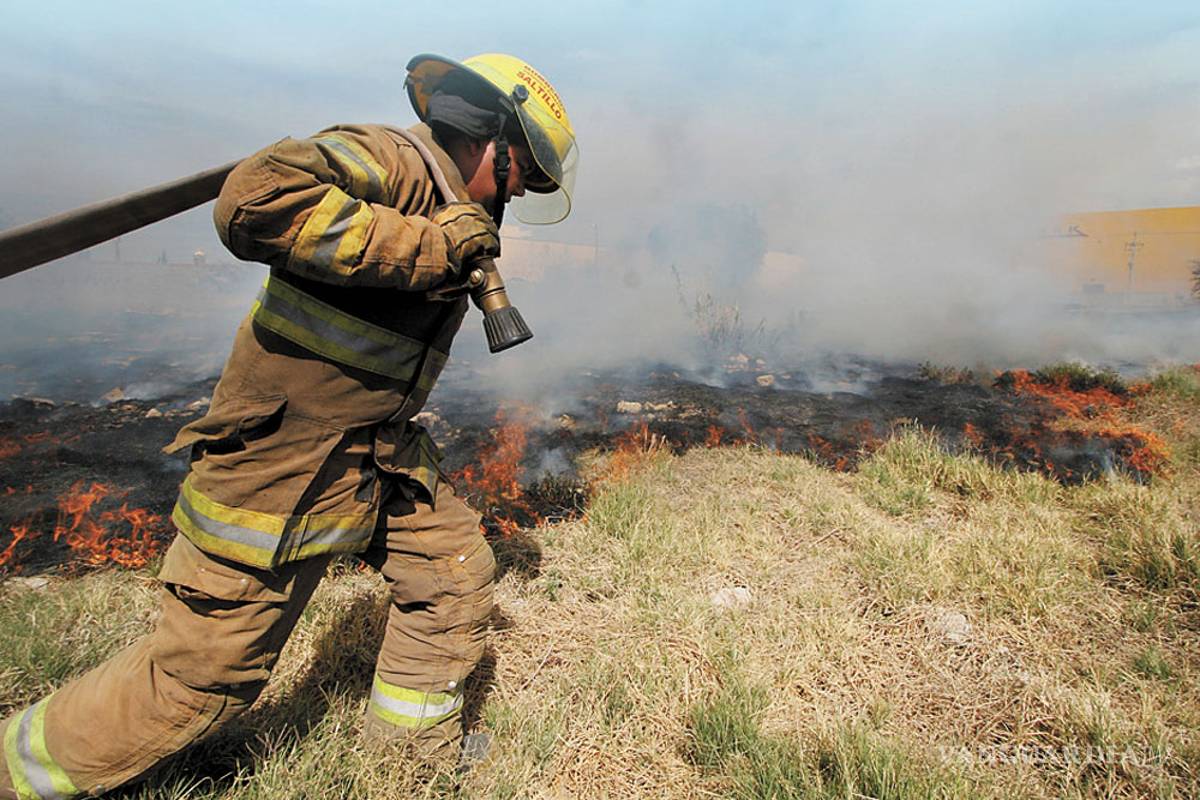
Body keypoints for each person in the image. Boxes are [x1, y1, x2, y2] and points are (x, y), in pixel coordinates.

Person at [0, 52, 578, 799]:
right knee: (198, 682)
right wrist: (429, 248)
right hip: (282, 465)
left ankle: (408, 765)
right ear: (485, 136)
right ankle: (17, 771)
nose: (517, 195)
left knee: (451, 575)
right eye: (521, 174)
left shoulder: (443, 197)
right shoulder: (393, 160)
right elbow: (255, 197)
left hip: (375, 450)